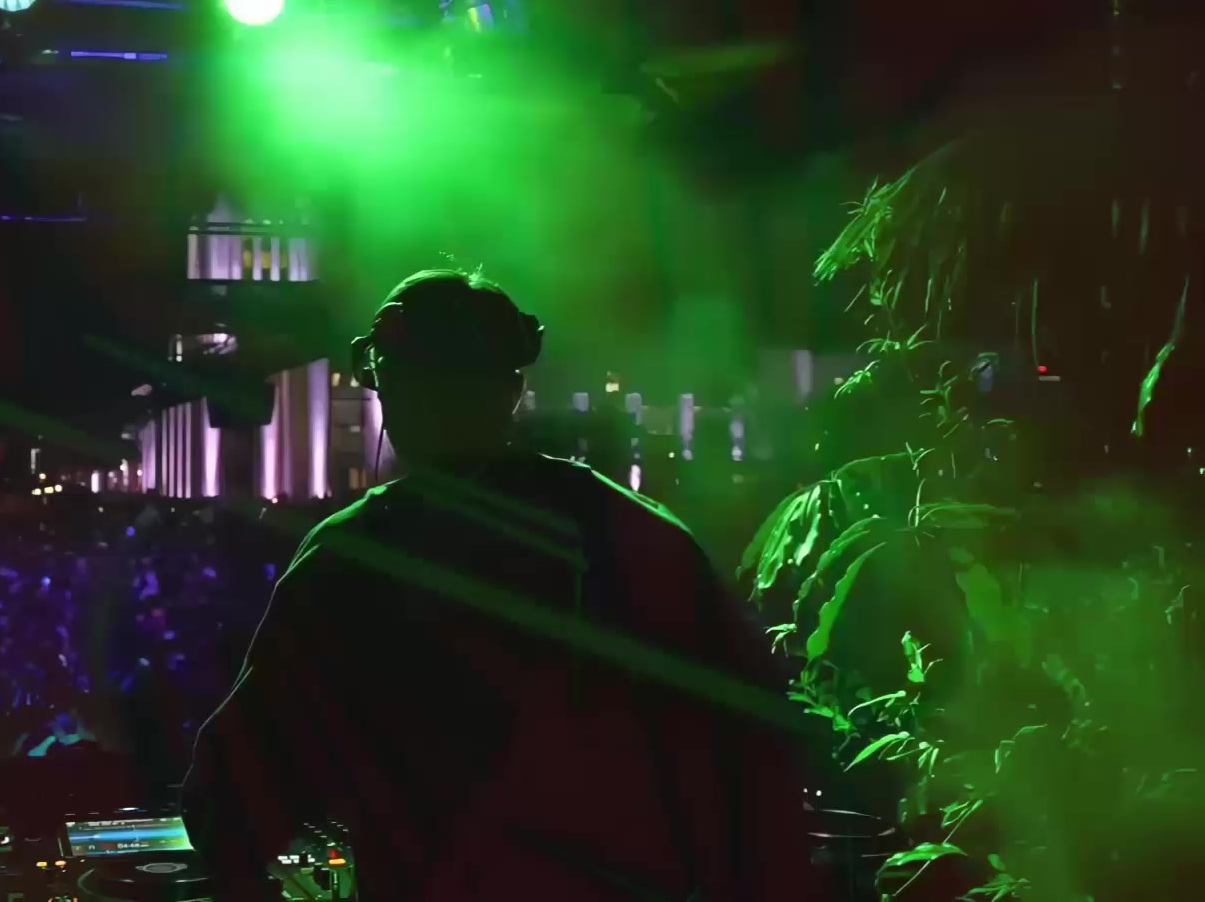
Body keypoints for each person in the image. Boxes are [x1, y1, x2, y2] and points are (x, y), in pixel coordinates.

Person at [181, 269, 826, 902]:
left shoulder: (351, 559)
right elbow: (759, 778)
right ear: (512, 387)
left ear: (388, 389)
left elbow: (228, 800)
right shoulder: (644, 537)